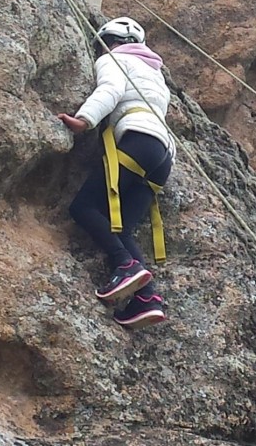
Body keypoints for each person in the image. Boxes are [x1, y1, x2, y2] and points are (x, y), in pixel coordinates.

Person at [58, 17, 175, 330]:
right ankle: (147, 298)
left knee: (82, 207)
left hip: (137, 140)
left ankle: (125, 265)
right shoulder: (154, 73)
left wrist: (85, 120)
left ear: (109, 40)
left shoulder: (115, 58)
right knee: (120, 228)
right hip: (162, 157)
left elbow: (110, 88)